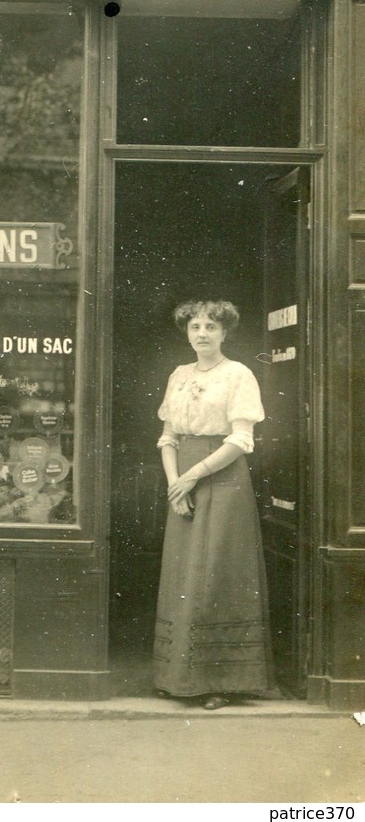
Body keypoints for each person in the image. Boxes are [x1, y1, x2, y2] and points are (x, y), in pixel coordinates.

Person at [153, 299, 275, 709]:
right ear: (186, 333)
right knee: (185, 574)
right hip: (184, 480)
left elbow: (241, 440)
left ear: (225, 333)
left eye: (210, 326)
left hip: (222, 479)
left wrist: (193, 476)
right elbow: (168, 437)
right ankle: (177, 676)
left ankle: (218, 681)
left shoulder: (238, 374)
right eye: (194, 327)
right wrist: (176, 485)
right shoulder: (179, 375)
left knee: (215, 572)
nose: (202, 333)